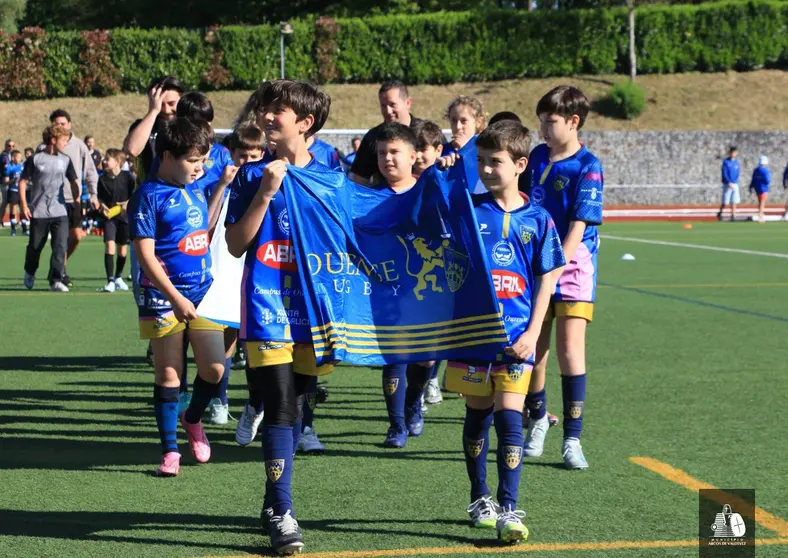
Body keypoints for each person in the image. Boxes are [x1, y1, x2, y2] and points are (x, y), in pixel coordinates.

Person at [226, 79, 337, 555]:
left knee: (299, 406)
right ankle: (284, 511)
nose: (267, 117)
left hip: (313, 314)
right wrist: (266, 193)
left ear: (304, 123)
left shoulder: (331, 177)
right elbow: (234, 245)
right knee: (280, 403)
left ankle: (273, 502)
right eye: (266, 109)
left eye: (279, 111)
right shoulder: (252, 176)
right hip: (267, 307)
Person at [441, 120, 565, 544]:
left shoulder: (539, 219)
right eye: (481, 162)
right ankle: (481, 497)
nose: (487, 169)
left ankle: (510, 508)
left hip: (518, 339)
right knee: (477, 413)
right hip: (474, 337)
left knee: (509, 418)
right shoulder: (470, 212)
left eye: (495, 162)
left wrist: (533, 332)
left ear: (519, 164)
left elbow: (547, 279)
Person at [127, 117, 227, 478]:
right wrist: (174, 298)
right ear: (167, 156)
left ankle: (192, 418)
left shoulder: (196, 184)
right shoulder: (147, 195)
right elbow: (146, 256)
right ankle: (170, 451)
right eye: (192, 161)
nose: (199, 168)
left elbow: (206, 226)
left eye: (202, 162)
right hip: (162, 297)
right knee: (169, 374)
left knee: (214, 369)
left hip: (203, 293)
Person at [520, 86, 603, 470]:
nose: (542, 128)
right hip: (535, 263)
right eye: (540, 120)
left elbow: (577, 226)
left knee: (570, 350)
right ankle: (537, 420)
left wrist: (555, 268)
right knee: (534, 348)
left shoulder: (588, 165)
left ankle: (573, 438)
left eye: (550, 121)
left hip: (572, 265)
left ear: (573, 121)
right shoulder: (536, 156)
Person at [369, 123, 436, 448]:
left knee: (425, 358)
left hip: (425, 290)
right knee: (395, 356)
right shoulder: (369, 199)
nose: (387, 159)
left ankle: (413, 402)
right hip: (387, 291)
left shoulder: (428, 194)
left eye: (394, 152)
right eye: (382, 153)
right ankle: (396, 425)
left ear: (413, 156)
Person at [19, 124, 79, 293]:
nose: (66, 144)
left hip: (59, 211)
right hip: (38, 211)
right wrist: (24, 204)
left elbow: (73, 180)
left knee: (60, 246)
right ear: (53, 140)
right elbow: (23, 182)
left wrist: (76, 191)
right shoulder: (35, 159)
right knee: (35, 247)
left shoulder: (66, 160)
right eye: (64, 140)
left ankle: (56, 280)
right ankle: (30, 271)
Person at [46, 109, 100, 287]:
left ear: (69, 125)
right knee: (59, 239)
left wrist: (93, 194)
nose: (60, 126)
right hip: (54, 200)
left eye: (63, 123)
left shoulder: (79, 146)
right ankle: (59, 271)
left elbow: (91, 171)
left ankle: (59, 265)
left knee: (76, 236)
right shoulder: (45, 147)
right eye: (56, 123)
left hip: (74, 198)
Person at [349, 80, 423, 185]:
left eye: (393, 104)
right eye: (383, 106)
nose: (388, 111)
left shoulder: (426, 133)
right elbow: (359, 181)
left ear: (408, 103)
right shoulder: (373, 137)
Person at [97, 149, 135, 292]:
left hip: (124, 218)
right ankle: (110, 281)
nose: (104, 161)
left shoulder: (128, 177)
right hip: (109, 218)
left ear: (118, 162)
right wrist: (102, 205)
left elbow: (136, 194)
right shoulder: (102, 179)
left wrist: (127, 203)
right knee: (109, 246)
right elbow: (100, 198)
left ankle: (118, 277)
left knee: (122, 250)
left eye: (108, 159)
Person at [4, 150, 27, 236]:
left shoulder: (23, 166)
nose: (20, 159)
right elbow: (6, 181)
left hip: (22, 191)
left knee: (22, 209)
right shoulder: (9, 167)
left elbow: (27, 178)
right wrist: (12, 181)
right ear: (13, 158)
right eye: (18, 157)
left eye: (20, 157)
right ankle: (13, 229)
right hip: (13, 191)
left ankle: (24, 229)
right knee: (13, 209)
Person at [718, 146, 740, 221]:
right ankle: (720, 212)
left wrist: (735, 181)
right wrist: (728, 182)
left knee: (734, 200)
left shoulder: (737, 163)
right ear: (730, 153)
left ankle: (733, 215)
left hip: (735, 183)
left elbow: (737, 173)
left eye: (735, 153)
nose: (733, 154)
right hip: (727, 184)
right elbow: (724, 173)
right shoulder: (726, 162)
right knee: (725, 201)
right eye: (732, 152)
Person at [749, 155, 770, 223]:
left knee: (760, 201)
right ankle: (760, 216)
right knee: (762, 202)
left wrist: (751, 186)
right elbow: (767, 180)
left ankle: (761, 214)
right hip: (763, 188)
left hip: (757, 188)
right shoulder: (765, 170)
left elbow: (753, 179)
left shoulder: (756, 170)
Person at [0, 138, 16, 227]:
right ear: (5, 146)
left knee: (13, 201)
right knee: (5, 201)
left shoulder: (11, 156)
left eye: (13, 146)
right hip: (5, 182)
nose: (11, 147)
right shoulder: (4, 155)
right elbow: (6, 168)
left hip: (11, 181)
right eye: (9, 146)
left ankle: (13, 220)